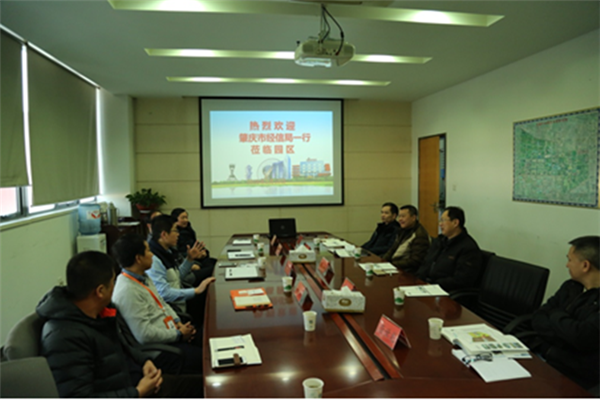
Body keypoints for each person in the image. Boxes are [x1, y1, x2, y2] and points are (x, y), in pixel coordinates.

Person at [36, 251, 203, 398]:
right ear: (100, 291)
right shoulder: (64, 337)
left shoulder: (101, 311)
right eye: (113, 283)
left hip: (136, 380)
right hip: (132, 391)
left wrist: (145, 361)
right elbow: (78, 396)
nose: (115, 288)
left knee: (206, 384)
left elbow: (125, 346)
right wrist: (138, 392)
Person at [112, 233, 210, 374]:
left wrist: (179, 323)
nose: (152, 255)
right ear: (138, 258)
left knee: (208, 338)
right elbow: (144, 335)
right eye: (148, 251)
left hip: (172, 334)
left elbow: (162, 303)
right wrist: (178, 334)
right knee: (208, 359)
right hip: (160, 351)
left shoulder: (143, 276)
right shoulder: (127, 290)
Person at [529, 236, 599, 390]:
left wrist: (555, 314)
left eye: (570, 260)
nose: (567, 265)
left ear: (585, 265)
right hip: (546, 358)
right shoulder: (570, 286)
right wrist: (565, 332)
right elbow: (538, 317)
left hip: (576, 376)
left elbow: (581, 337)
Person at [147, 215, 214, 322]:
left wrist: (189, 259)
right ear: (164, 234)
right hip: (173, 311)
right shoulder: (154, 260)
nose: (178, 234)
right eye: (175, 231)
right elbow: (164, 293)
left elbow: (177, 278)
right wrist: (195, 291)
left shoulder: (167, 252)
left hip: (181, 302)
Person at [415, 206, 482, 291]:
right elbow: (426, 264)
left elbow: (461, 280)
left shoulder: (468, 248)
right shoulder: (440, 241)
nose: (440, 224)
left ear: (455, 223)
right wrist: (418, 280)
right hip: (427, 286)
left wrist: (434, 285)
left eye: (443, 220)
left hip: (444, 290)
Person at [382, 205, 431, 273]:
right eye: (399, 216)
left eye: (403, 216)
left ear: (413, 218)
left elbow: (415, 261)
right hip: (395, 266)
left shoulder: (420, 235)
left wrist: (392, 264)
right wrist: (383, 261)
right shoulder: (402, 230)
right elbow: (392, 249)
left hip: (407, 271)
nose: (400, 219)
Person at [171, 207, 217, 275]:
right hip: (188, 261)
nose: (186, 220)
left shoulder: (189, 230)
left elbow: (195, 243)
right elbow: (178, 253)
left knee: (215, 263)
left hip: (196, 258)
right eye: (183, 218)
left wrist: (203, 252)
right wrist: (194, 256)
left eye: (186, 217)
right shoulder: (174, 235)